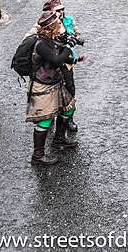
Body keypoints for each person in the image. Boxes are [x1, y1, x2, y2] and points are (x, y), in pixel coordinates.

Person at [26, 10, 85, 165]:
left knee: (69, 107)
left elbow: (61, 57)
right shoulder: (41, 44)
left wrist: (76, 59)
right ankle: (37, 156)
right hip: (42, 86)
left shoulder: (51, 39)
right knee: (45, 119)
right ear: (51, 27)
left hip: (56, 82)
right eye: (58, 24)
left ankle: (59, 138)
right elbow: (57, 60)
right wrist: (70, 45)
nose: (60, 25)